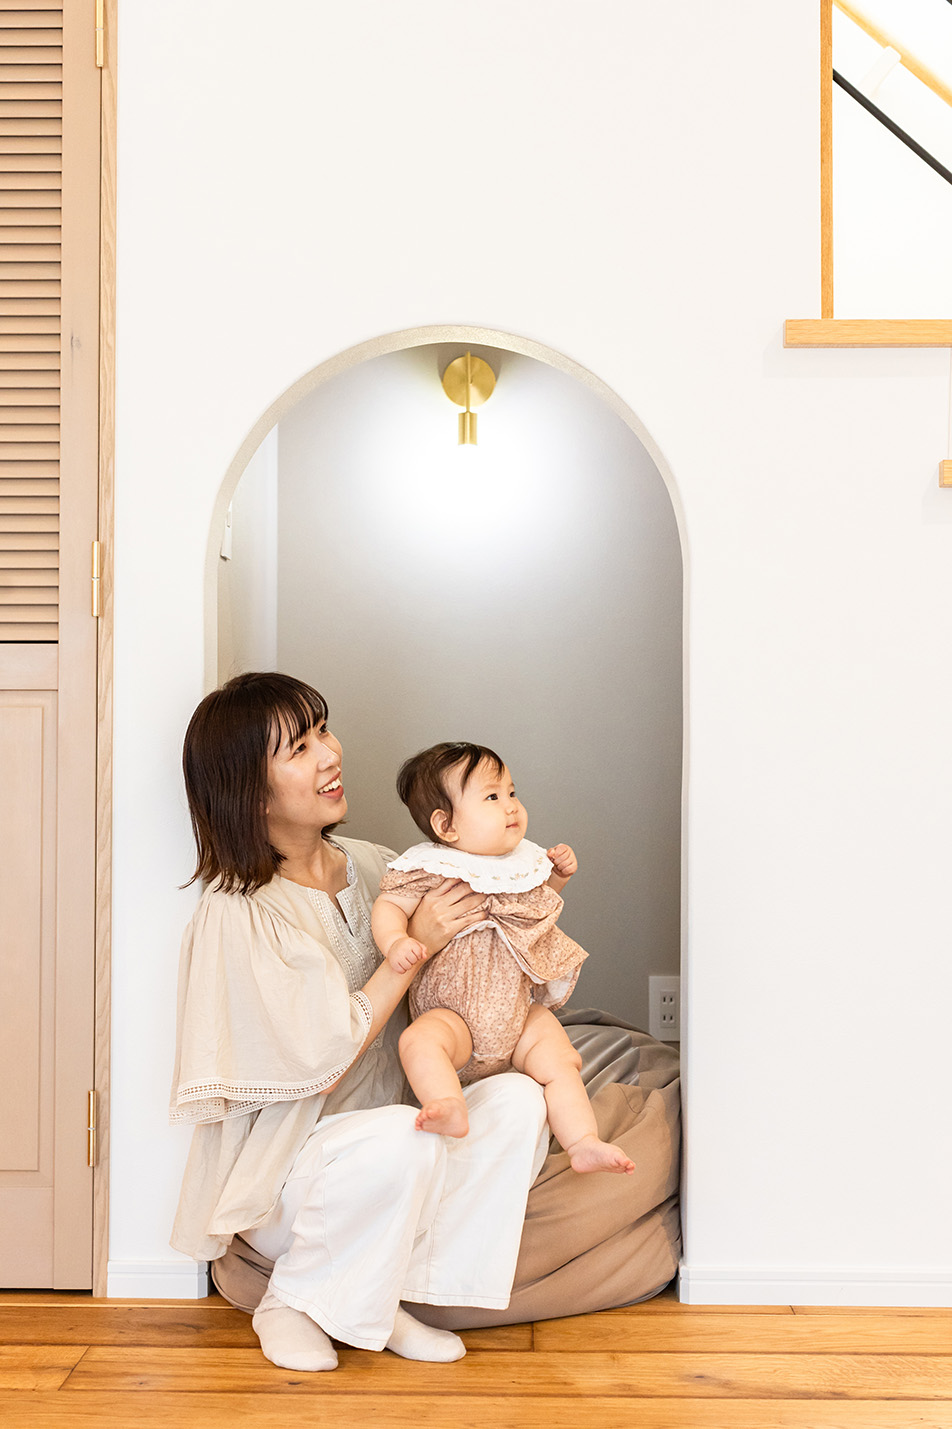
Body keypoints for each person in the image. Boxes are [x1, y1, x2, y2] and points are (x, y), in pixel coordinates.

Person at [171, 672, 681, 1367]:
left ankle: (393, 1297)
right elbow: (324, 1059)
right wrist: (414, 949)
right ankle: (290, 1299)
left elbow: (479, 958)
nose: (330, 753)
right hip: (299, 1174)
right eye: (300, 747)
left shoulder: (379, 866)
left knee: (518, 1099)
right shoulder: (241, 911)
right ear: (250, 790)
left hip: (403, 1148)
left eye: (324, 729)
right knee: (399, 1141)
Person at [372, 741, 634, 1175]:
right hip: (453, 1017)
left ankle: (582, 1141)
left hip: (516, 1015)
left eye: (512, 792)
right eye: (492, 797)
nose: (511, 805)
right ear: (446, 825)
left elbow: (534, 908)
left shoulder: (521, 863)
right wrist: (397, 941)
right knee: (418, 1041)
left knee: (560, 1059)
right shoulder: (430, 869)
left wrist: (556, 877)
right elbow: (389, 906)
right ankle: (448, 1104)